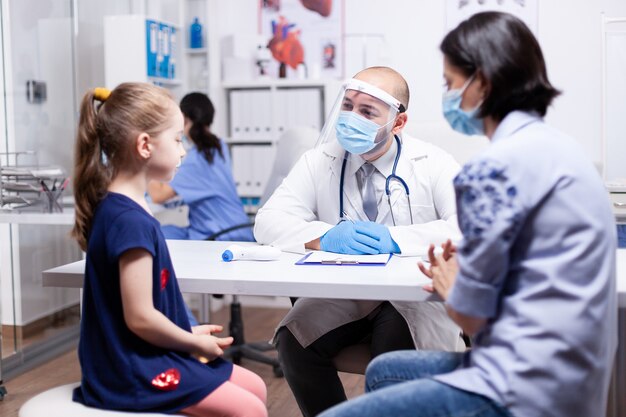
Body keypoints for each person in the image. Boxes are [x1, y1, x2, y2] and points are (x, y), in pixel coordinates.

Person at [318, 12, 617, 417]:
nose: (449, 96)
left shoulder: (492, 170)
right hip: (579, 380)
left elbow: (475, 319)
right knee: (386, 370)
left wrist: (450, 284)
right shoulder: (566, 152)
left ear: (484, 83)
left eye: (450, 83)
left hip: (517, 389)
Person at [254, 66, 465, 417]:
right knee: (293, 342)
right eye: (348, 106)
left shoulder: (434, 164)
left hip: (411, 297)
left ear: (398, 123)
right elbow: (268, 220)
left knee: (390, 352)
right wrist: (323, 237)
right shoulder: (319, 160)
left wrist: (395, 240)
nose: (352, 117)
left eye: (367, 112)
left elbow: (470, 228)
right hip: (345, 293)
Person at [70, 83, 267, 417]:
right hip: (131, 367)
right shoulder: (129, 219)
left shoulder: (128, 209)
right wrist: (191, 342)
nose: (183, 151)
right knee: (250, 409)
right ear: (145, 145)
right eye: (177, 140)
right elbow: (140, 318)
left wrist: (185, 331)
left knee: (257, 387)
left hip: (145, 350)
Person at [148, 92, 253, 242]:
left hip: (223, 235)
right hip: (235, 228)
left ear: (184, 119)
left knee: (156, 234)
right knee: (164, 230)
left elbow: (158, 195)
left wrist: (149, 153)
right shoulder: (218, 147)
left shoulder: (199, 158)